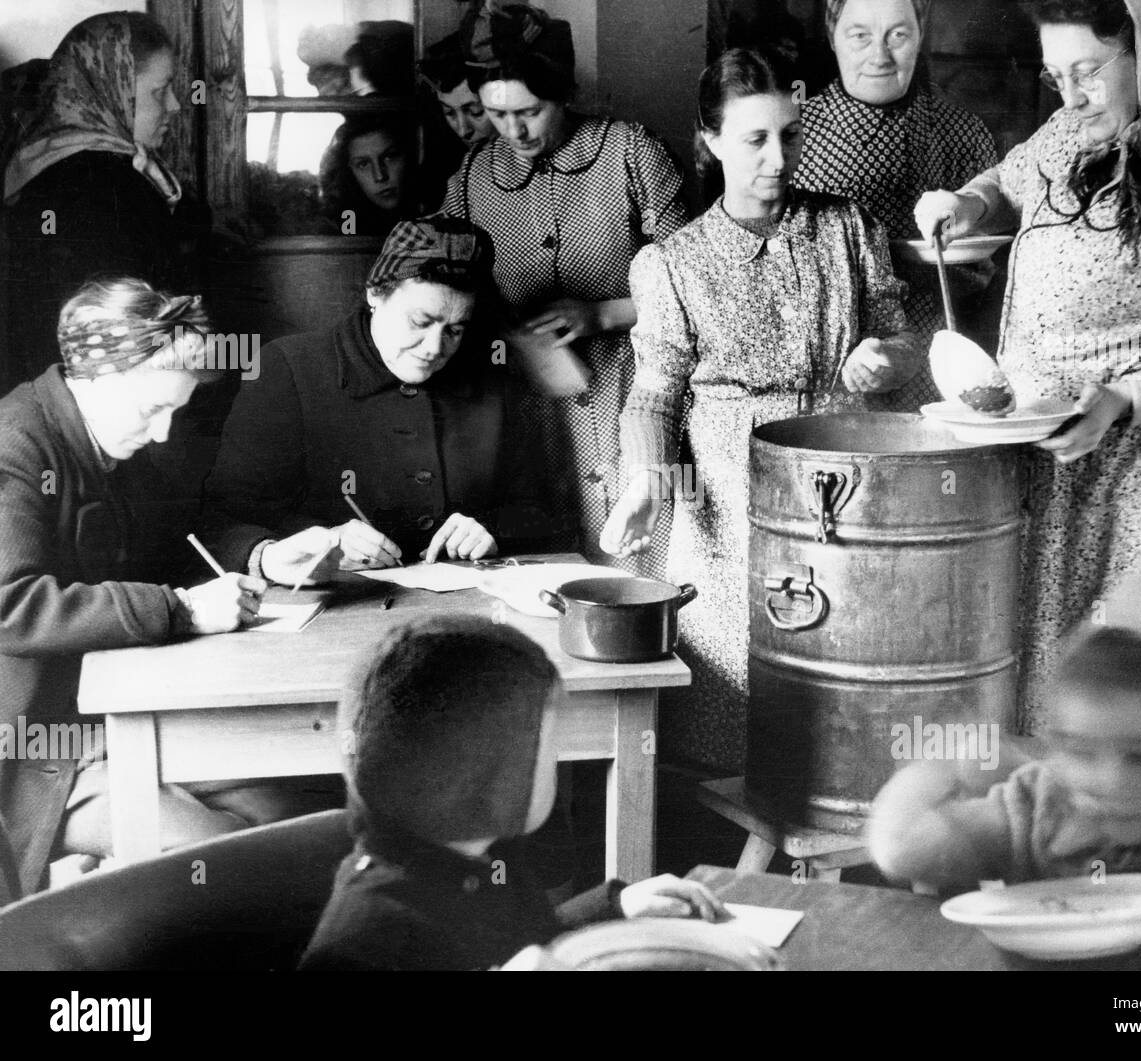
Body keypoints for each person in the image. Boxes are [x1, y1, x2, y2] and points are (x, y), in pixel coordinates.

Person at [914, 0, 1141, 732]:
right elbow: (1007, 182)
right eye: (1057, 76)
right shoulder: (1066, 135)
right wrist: (967, 200)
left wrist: (1125, 399)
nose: (1072, 96)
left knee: (1122, 723)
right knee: (1039, 721)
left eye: (1087, 72)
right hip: (1047, 484)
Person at [600, 48, 922, 773]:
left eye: (790, 135)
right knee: (737, 709)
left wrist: (886, 359)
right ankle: (733, 859)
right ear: (710, 141)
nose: (778, 158)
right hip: (730, 493)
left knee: (851, 680)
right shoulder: (673, 262)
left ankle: (843, 850)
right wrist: (649, 485)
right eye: (754, 139)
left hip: (847, 477)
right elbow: (655, 391)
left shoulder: (848, 227)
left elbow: (901, 334)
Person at [0, 279, 336, 895]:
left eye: (175, 412)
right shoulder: (15, 446)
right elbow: (10, 606)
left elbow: (179, 536)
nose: (161, 435)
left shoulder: (111, 435)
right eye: (152, 410)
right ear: (95, 377)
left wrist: (265, 556)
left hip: (120, 713)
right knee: (224, 855)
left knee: (290, 815)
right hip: (36, 748)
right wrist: (177, 610)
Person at [298, 616, 726, 971]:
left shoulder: (492, 860)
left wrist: (615, 908)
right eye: (546, 752)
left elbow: (524, 936)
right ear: (486, 778)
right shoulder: (365, 938)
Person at [869, 626, 1141, 969]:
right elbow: (902, 850)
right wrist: (938, 767)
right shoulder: (1039, 807)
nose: (1110, 781)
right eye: (1080, 752)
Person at [439, 2, 690, 571]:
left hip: (637, 392)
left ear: (562, 93)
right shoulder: (475, 177)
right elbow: (447, 288)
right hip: (531, 409)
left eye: (529, 111)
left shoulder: (629, 152)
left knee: (638, 561)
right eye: (496, 115)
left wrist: (602, 316)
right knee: (542, 565)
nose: (513, 131)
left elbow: (695, 287)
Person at [205, 216, 556, 574]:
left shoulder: (491, 377)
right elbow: (221, 522)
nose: (435, 348)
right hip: (338, 611)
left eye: (455, 330)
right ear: (375, 292)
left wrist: (492, 529)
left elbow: (541, 511)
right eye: (420, 322)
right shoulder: (288, 369)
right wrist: (306, 546)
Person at [794, 0, 999, 406]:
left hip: (939, 362)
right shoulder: (794, 132)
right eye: (860, 36)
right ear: (832, 35)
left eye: (898, 35)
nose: (880, 56)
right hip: (824, 374)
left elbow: (988, 273)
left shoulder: (963, 132)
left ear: (921, 33)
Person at [1, 12, 194, 392]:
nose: (174, 105)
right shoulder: (110, 183)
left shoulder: (40, 164)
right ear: (111, 90)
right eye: (160, 90)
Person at [318, 115, 422, 237]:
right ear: (349, 172)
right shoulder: (347, 222)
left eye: (390, 156)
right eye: (363, 164)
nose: (379, 176)